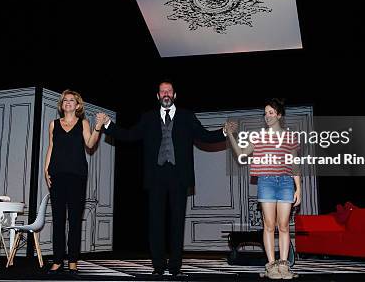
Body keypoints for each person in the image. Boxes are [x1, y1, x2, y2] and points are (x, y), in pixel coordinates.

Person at [98, 80, 227, 276]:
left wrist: (224, 132)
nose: (166, 94)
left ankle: (175, 267)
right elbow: (129, 135)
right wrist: (109, 125)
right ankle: (158, 266)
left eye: (169, 91)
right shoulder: (148, 117)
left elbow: (205, 136)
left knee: (177, 223)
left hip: (179, 177)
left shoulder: (186, 116)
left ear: (174, 95)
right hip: (155, 177)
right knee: (155, 224)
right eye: (162, 91)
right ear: (158, 96)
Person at [225, 98, 301, 280]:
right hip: (266, 183)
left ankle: (284, 266)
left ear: (279, 115)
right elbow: (242, 154)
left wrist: (299, 188)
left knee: (283, 226)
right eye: (265, 113)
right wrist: (230, 135)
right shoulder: (258, 137)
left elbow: (295, 164)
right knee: (268, 225)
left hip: (285, 183)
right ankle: (271, 266)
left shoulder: (290, 137)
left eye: (271, 113)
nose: (267, 116)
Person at [43, 90, 104, 275]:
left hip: (77, 176)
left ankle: (73, 261)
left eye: (72, 100)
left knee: (75, 220)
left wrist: (98, 126)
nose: (68, 102)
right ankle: (58, 260)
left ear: (78, 105)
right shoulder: (53, 124)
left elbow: (90, 144)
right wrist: (46, 170)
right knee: (58, 219)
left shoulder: (83, 123)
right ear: (62, 105)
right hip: (57, 175)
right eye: (65, 100)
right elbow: (51, 147)